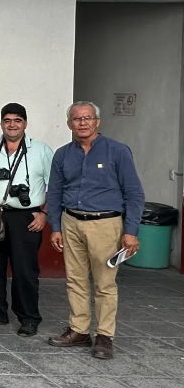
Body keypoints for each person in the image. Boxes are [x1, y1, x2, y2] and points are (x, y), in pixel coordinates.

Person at [47, 101, 144, 360]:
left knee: (105, 283)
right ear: (69, 124)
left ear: (97, 122)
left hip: (105, 224)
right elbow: (54, 193)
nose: (82, 123)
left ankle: (104, 336)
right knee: (75, 279)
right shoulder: (63, 154)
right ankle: (79, 330)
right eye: (77, 119)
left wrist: (131, 231)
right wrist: (55, 226)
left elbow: (134, 193)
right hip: (71, 222)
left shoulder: (118, 151)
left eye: (88, 118)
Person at [0, 103, 53, 337]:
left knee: (25, 270)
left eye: (17, 120)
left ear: (25, 123)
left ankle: (28, 318)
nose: (12, 125)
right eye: (7, 120)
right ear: (1, 123)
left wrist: (45, 213)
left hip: (26, 217)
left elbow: (55, 185)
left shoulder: (41, 150)